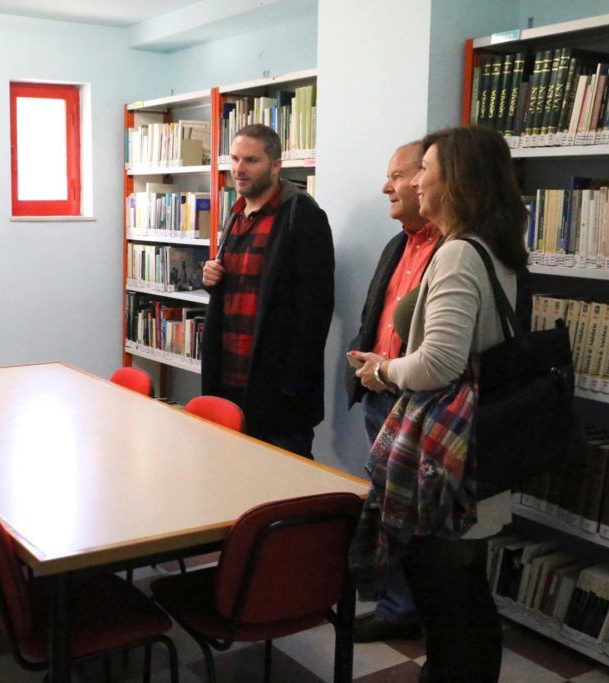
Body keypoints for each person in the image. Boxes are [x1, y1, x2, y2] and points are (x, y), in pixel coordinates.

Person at [350, 125, 529, 682]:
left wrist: (380, 371)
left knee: (446, 601)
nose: (414, 180)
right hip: (480, 450)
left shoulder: (456, 254)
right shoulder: (496, 249)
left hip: (446, 458)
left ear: (454, 182)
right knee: (468, 599)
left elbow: (438, 364)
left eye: (423, 168)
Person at [344, 141, 440, 642]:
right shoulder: (397, 243)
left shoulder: (453, 251)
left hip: (419, 403)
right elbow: (374, 310)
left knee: (412, 513)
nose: (388, 187)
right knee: (386, 505)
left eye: (399, 175)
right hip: (379, 394)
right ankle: (393, 602)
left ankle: (407, 608)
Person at [201, 124, 334, 458]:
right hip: (230, 375)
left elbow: (316, 308)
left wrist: (293, 383)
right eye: (234, 159)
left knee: (286, 483)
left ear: (276, 166)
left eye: (251, 160)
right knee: (233, 474)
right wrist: (212, 279)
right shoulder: (235, 215)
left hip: (277, 386)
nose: (239, 169)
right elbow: (239, 290)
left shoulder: (302, 215)